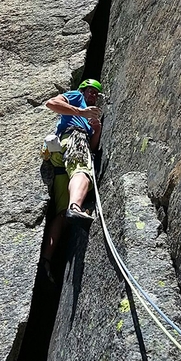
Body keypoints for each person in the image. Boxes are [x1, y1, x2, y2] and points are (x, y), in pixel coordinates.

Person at [39, 79, 103, 282]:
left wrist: (97, 129)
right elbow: (51, 103)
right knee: (82, 172)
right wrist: (81, 112)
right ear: (82, 91)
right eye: (90, 91)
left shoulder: (89, 116)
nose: (92, 95)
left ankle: (45, 261)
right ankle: (76, 206)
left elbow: (92, 148)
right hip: (73, 139)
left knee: (60, 214)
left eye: (96, 94)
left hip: (61, 155)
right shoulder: (76, 97)